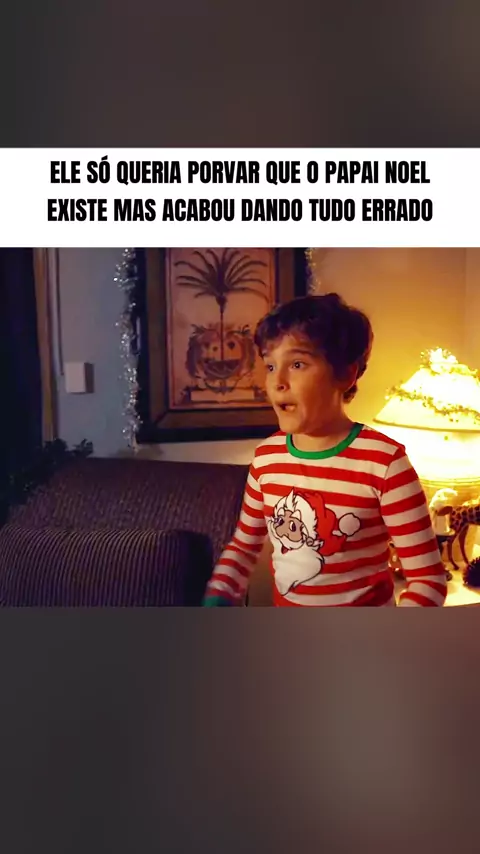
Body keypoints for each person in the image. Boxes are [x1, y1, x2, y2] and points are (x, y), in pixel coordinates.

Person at [203, 293, 447, 607]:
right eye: (270, 365)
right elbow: (242, 549)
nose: (277, 381)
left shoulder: (385, 463)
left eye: (297, 364)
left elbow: (428, 581)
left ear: (345, 374)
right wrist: (218, 597)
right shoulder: (266, 459)